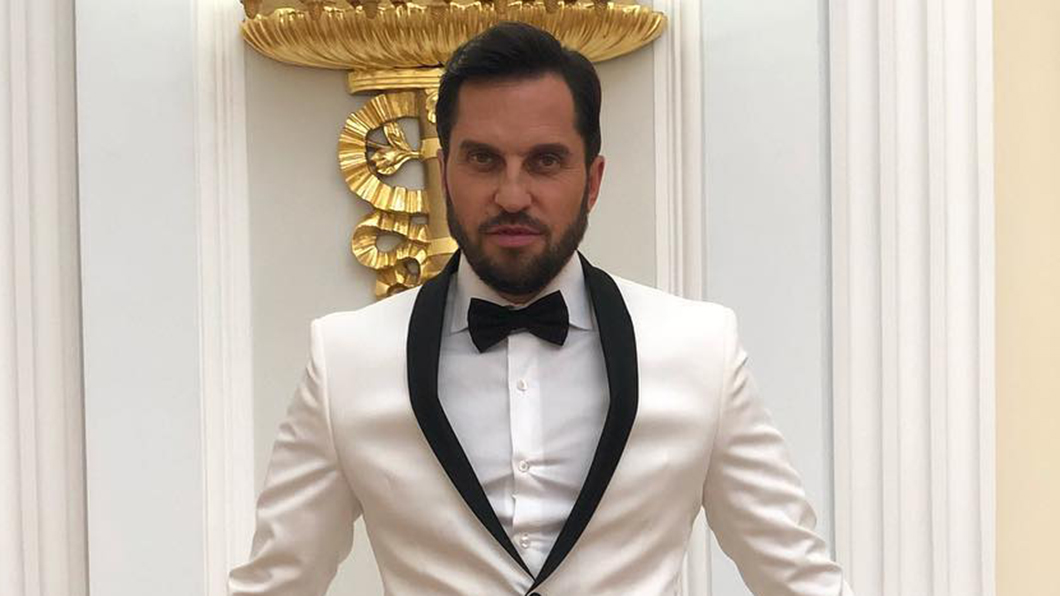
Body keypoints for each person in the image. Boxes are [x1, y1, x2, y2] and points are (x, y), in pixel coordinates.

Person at [229, 22, 853, 596]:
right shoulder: (344, 359)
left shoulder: (701, 350)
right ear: (444, 174)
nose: (512, 194)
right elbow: (276, 586)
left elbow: (798, 580)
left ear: (593, 181)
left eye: (545, 161)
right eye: (483, 159)